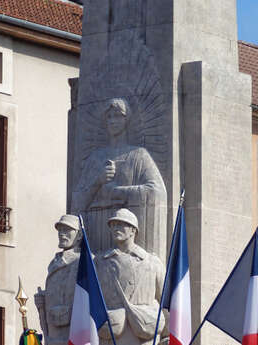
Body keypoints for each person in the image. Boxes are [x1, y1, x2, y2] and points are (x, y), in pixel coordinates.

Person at [71, 98, 166, 255]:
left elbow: (156, 191)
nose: (113, 121)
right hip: (97, 226)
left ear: (127, 119)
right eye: (109, 117)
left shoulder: (139, 155)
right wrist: (98, 181)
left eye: (118, 116)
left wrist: (117, 191)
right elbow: (78, 200)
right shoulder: (95, 158)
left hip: (127, 226)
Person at [95, 208, 165, 345]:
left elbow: (166, 302)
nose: (116, 228)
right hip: (111, 333)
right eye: (113, 225)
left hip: (144, 334)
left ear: (133, 230)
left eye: (121, 224)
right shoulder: (99, 262)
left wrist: (167, 335)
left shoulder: (151, 262)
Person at [34, 215, 82, 345]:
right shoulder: (54, 262)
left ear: (79, 235)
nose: (62, 234)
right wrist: (43, 299)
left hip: (71, 331)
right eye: (60, 230)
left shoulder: (83, 262)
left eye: (67, 230)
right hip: (53, 330)